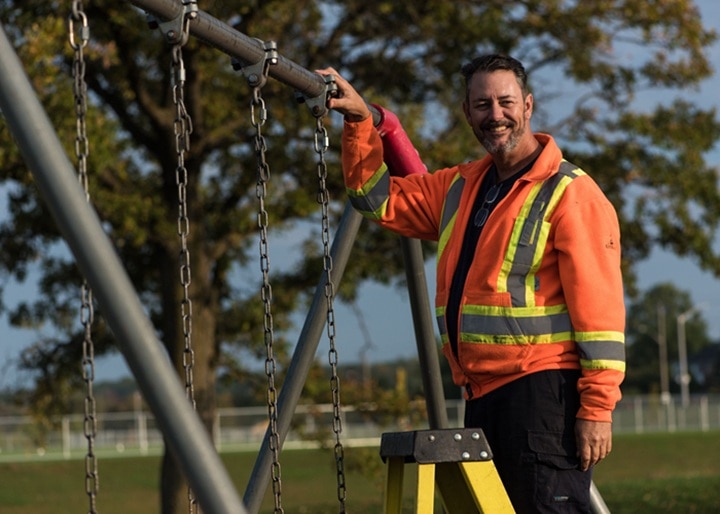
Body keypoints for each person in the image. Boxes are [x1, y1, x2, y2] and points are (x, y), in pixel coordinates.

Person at [318, 53, 625, 514]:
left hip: (542, 395)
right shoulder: (460, 186)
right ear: (467, 113)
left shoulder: (571, 193)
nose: (495, 115)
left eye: (505, 102)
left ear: (527, 105)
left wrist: (597, 409)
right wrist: (361, 121)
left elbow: (600, 316)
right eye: (482, 105)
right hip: (482, 395)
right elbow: (376, 200)